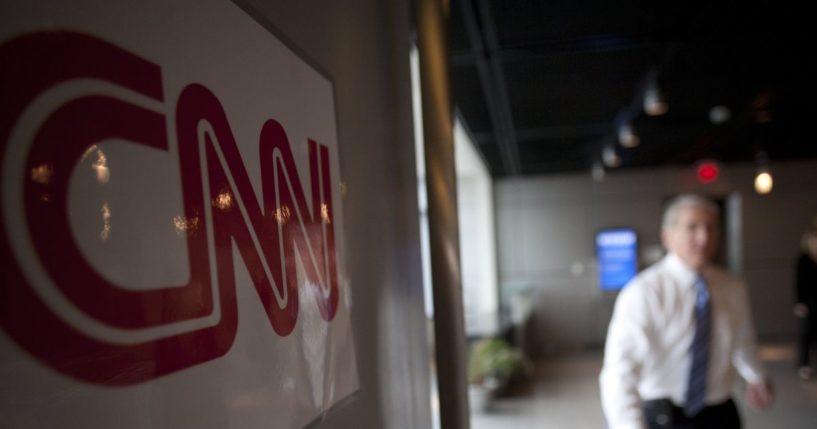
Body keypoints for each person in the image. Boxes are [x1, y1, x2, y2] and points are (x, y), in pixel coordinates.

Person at [600, 194, 773, 429]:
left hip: (720, 413)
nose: (703, 238)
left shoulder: (733, 287)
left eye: (711, 228)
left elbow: (742, 339)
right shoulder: (643, 292)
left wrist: (756, 376)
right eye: (692, 228)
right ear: (667, 236)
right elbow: (619, 372)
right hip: (665, 416)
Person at [794, 227, 817, 380]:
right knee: (807, 333)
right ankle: (804, 364)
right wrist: (799, 302)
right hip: (809, 302)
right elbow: (798, 282)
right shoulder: (803, 259)